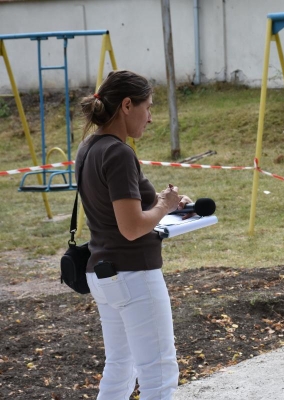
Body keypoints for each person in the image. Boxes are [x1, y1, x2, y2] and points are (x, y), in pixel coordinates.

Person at [77, 70, 192, 399]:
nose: (151, 117)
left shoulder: (89, 148)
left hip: (103, 274)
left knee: (119, 368)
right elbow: (131, 227)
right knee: (159, 374)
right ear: (127, 105)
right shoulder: (119, 153)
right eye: (148, 107)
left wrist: (160, 204)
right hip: (134, 273)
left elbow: (116, 214)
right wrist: (165, 206)